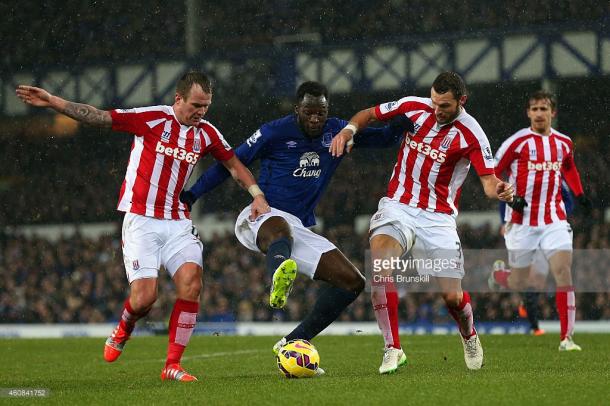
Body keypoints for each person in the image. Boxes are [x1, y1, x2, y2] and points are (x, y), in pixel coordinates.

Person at [16, 72, 270, 381]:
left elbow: (233, 165)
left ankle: (172, 365)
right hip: (141, 220)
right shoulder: (152, 118)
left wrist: (256, 195)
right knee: (144, 299)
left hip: (176, 220)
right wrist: (54, 101)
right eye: (196, 105)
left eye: (206, 105)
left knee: (191, 283)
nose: (201, 112)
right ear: (178, 99)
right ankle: (124, 327)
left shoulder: (206, 133)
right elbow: (98, 117)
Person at [181, 81, 412, 374]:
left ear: (328, 112)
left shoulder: (337, 131)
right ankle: (278, 272)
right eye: (309, 112)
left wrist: (406, 118)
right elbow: (230, 163)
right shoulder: (273, 132)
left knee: (352, 282)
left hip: (297, 227)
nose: (315, 119)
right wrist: (191, 195)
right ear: (297, 110)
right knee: (280, 231)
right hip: (262, 215)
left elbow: (384, 138)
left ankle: (292, 341)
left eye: (321, 113)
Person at [331, 71, 515, 373]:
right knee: (379, 268)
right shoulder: (414, 107)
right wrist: (349, 130)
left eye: (444, 106)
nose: (437, 110)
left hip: (438, 219)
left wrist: (502, 190)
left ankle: (468, 334)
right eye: (434, 102)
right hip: (398, 206)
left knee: (452, 297)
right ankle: (392, 348)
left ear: (461, 101)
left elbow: (488, 183)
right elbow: (369, 114)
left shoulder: (472, 134)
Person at [489, 90, 590, 351]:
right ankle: (500, 277)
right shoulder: (517, 142)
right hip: (521, 221)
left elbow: (568, 167)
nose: (539, 114)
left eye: (544, 109)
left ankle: (567, 338)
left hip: (554, 218)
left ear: (552, 113)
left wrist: (579, 195)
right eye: (534, 109)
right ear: (528, 113)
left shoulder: (564, 143)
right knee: (520, 282)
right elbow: (492, 173)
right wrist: (510, 199)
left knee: (563, 271)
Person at [496, 182, 574, 336]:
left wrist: (559, 215)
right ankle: (500, 277)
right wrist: (504, 222)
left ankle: (532, 319)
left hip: (548, 229)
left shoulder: (555, 173)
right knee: (525, 281)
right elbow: (503, 195)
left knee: (537, 282)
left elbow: (569, 200)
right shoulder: (521, 171)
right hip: (524, 229)